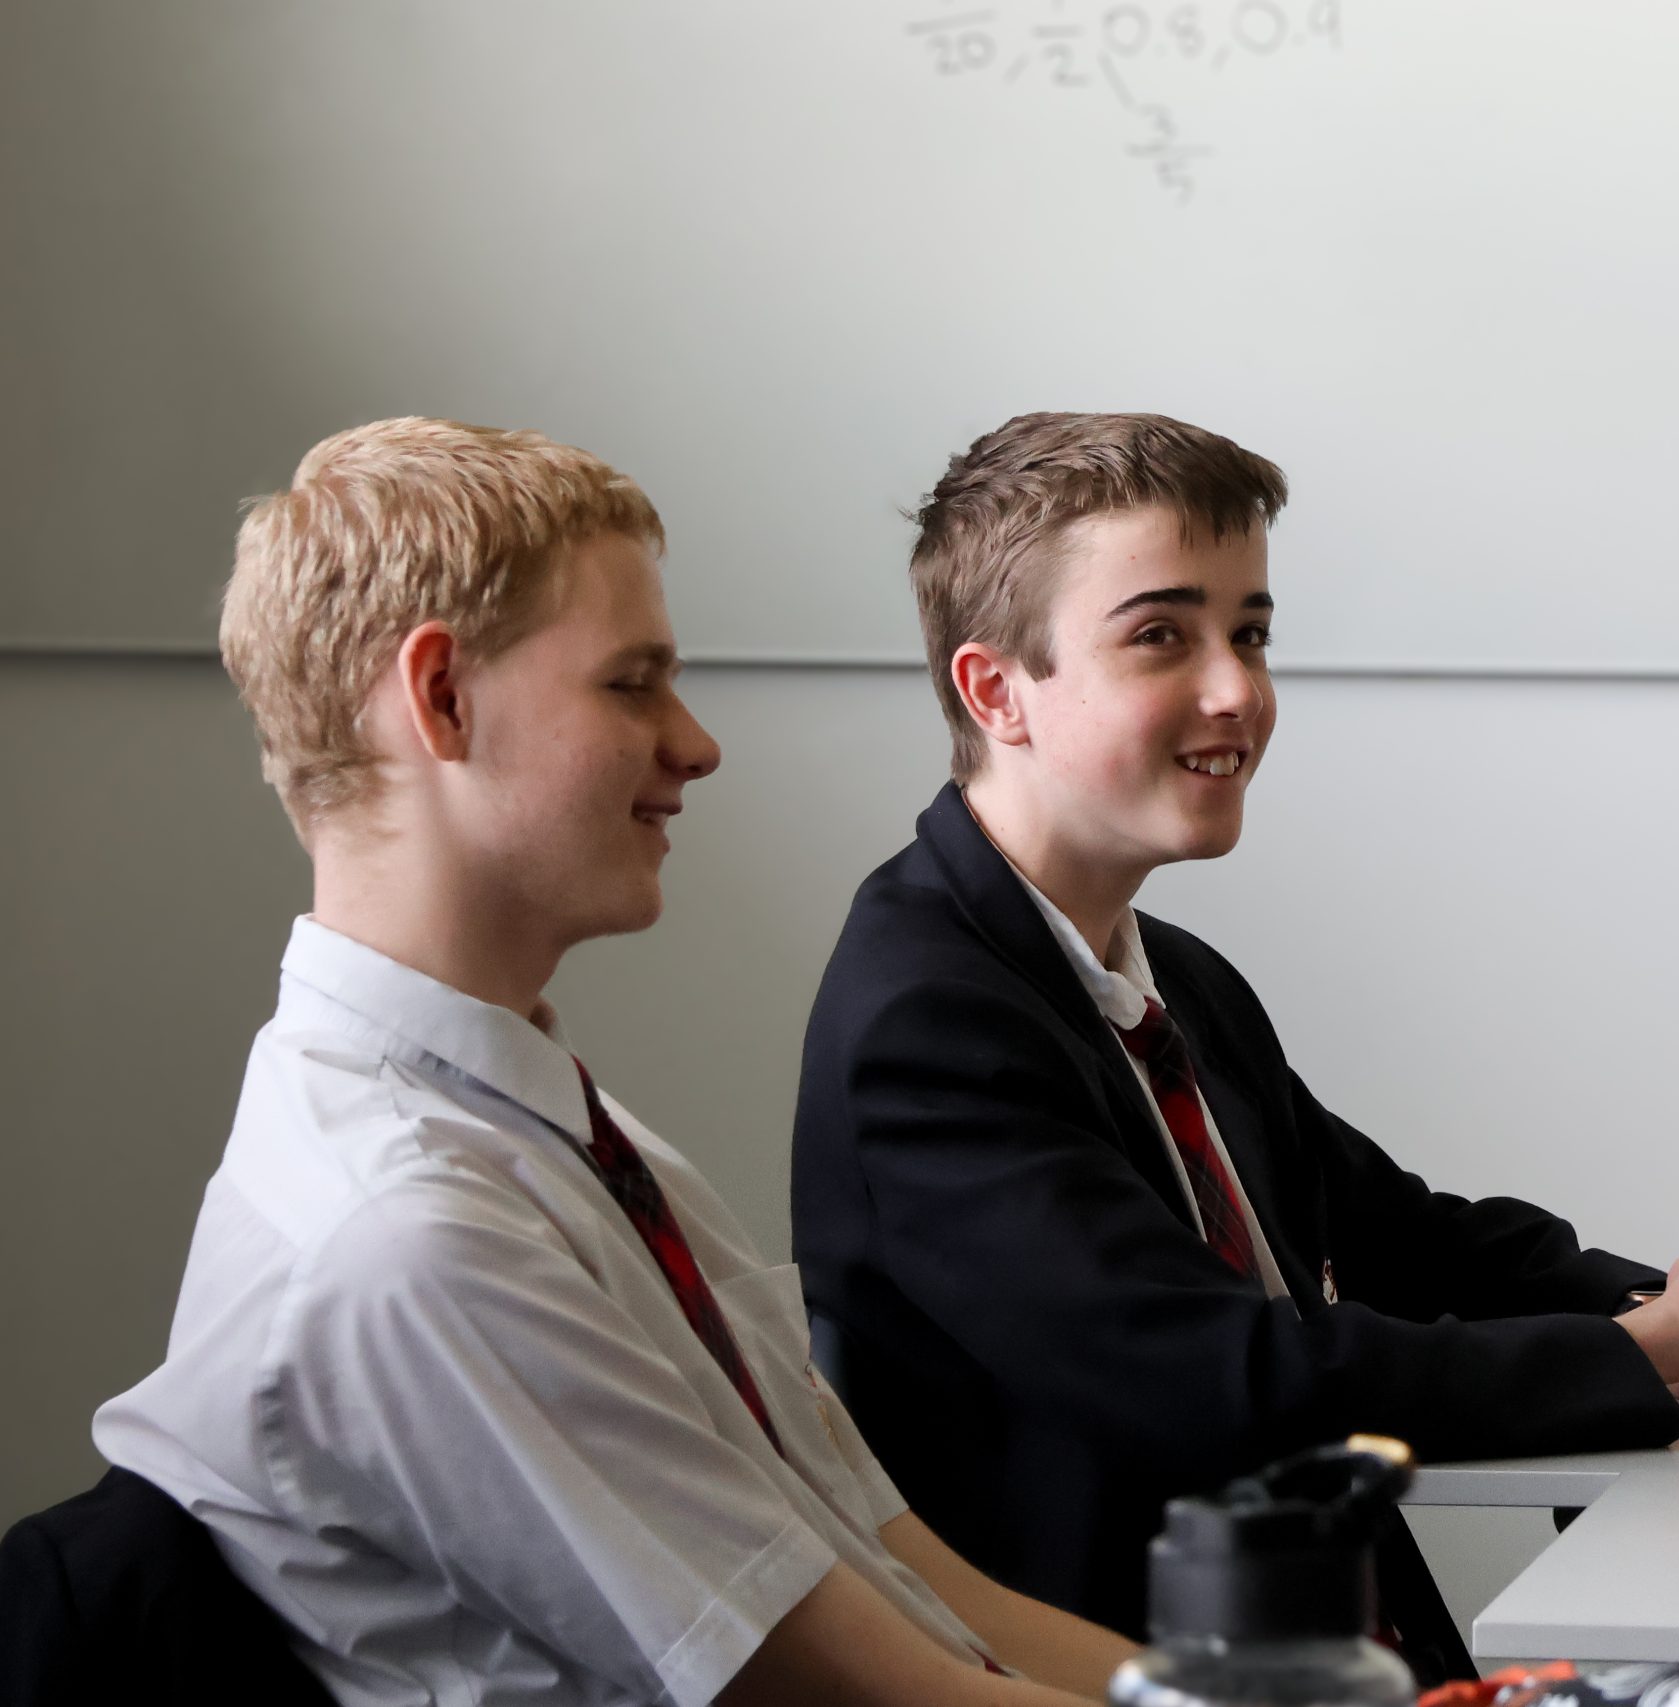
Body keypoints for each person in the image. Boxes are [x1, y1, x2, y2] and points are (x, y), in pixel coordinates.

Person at [94, 418, 1138, 1707]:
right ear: (440, 699)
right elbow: (880, 1698)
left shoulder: (560, 1131)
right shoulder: (412, 1232)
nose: (694, 744)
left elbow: (916, 1584)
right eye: (630, 683)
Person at [792, 411, 1679, 1682]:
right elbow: (1212, 1379)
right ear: (994, 689)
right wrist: (1643, 1353)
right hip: (1121, 1677)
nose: (1237, 689)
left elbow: (1404, 1238)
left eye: (1249, 633)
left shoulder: (1169, 971)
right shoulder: (927, 1015)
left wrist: (1656, 1302)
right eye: (1160, 636)